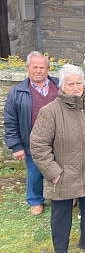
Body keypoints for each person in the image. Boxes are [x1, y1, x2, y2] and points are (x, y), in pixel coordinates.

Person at [30, 64, 85, 253]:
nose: (76, 87)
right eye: (71, 84)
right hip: (63, 174)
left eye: (79, 83)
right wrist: (54, 173)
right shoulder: (50, 111)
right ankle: (61, 249)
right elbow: (38, 146)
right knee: (61, 215)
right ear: (62, 87)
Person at [3, 51, 59, 215]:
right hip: (32, 142)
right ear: (27, 68)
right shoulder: (17, 92)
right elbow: (10, 121)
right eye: (34, 67)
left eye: (42, 67)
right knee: (34, 173)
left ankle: (63, 196)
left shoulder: (59, 86)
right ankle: (35, 200)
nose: (38, 71)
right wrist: (16, 146)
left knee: (62, 169)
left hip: (60, 139)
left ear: (47, 69)